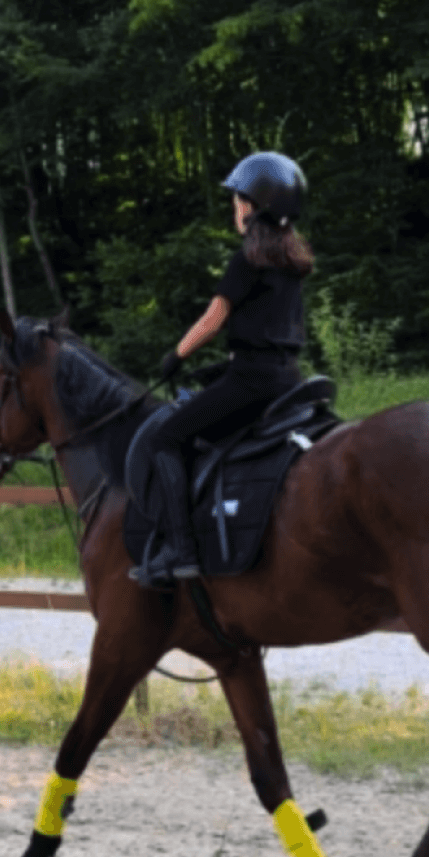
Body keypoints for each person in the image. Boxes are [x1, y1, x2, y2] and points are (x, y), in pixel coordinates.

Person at [129, 151, 313, 589]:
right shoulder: (293, 263)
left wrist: (178, 355)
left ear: (252, 205)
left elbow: (214, 318)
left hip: (251, 383)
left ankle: (181, 551)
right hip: (287, 379)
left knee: (165, 437)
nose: (235, 209)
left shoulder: (247, 259)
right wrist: (218, 369)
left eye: (236, 201)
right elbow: (267, 332)